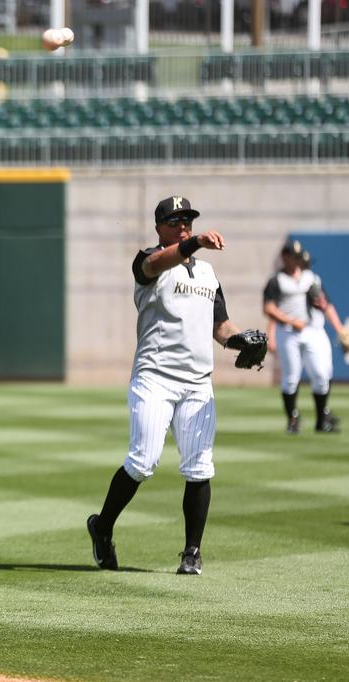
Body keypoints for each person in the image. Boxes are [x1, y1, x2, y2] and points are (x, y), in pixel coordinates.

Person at [86, 195, 255, 576]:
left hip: (198, 382)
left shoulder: (209, 274)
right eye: (175, 221)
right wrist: (192, 244)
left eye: (188, 221)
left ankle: (191, 552)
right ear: (160, 227)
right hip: (155, 378)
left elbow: (221, 326)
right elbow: (153, 264)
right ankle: (102, 526)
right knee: (143, 461)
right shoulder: (148, 260)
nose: (184, 226)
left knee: (199, 467)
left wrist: (240, 341)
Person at [263, 241, 342, 434]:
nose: (297, 261)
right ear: (285, 257)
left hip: (312, 330)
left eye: (299, 257)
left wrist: (340, 330)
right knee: (291, 377)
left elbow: (326, 305)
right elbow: (269, 308)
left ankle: (322, 419)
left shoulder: (311, 278)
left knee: (322, 374)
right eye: (293, 257)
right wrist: (282, 326)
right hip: (288, 332)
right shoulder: (277, 280)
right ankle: (292, 419)